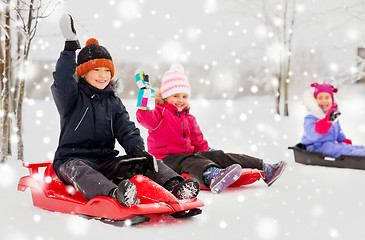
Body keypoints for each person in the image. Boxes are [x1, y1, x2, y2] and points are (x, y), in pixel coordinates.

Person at [51, 15, 200, 208]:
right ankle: (116, 194)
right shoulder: (71, 98)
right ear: (84, 73)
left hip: (105, 160)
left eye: (107, 71)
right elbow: (62, 81)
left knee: (145, 160)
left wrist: (137, 149)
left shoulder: (113, 102)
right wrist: (70, 47)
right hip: (71, 160)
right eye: (96, 70)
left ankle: (176, 186)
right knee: (80, 169)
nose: (102, 75)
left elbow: (126, 129)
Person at [135, 64, 287, 194]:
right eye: (176, 96)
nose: (180, 100)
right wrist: (145, 93)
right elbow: (144, 116)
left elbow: (199, 143)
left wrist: (211, 154)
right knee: (190, 160)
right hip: (165, 161)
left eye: (184, 96)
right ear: (166, 96)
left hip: (189, 156)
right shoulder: (159, 114)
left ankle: (265, 168)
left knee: (219, 155)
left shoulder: (189, 119)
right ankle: (212, 176)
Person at [301, 83, 365, 158]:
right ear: (315, 100)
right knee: (344, 150)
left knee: (350, 148)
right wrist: (326, 122)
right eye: (320, 98)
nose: (324, 101)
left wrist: (343, 141)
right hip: (315, 147)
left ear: (332, 100)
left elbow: (338, 131)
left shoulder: (332, 115)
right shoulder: (311, 117)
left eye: (327, 98)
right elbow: (312, 135)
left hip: (330, 145)